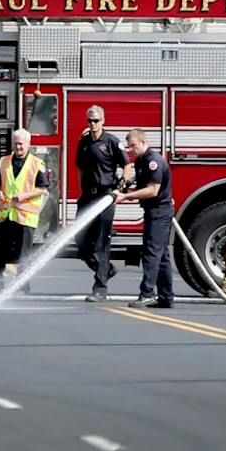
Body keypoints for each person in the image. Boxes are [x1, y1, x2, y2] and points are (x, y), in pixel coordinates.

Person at [116, 129, 174, 308]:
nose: (131, 150)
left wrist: (126, 197)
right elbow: (140, 183)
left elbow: (152, 190)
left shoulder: (153, 161)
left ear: (142, 142)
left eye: (133, 146)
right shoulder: (141, 161)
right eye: (129, 147)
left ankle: (147, 293)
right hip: (153, 211)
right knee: (162, 255)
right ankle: (166, 297)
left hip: (159, 212)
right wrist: (125, 188)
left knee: (151, 253)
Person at [74, 105, 124, 300]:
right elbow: (80, 168)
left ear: (103, 121)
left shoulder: (111, 142)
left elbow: (126, 164)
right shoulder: (84, 142)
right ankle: (106, 269)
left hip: (105, 197)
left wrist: (121, 184)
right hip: (88, 197)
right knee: (81, 241)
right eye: (90, 121)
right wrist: (82, 190)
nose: (93, 124)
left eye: (96, 120)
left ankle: (100, 288)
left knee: (102, 243)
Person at [0, 128, 47, 289]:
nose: (18, 147)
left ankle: (22, 287)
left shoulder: (37, 164)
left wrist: (24, 196)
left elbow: (42, 189)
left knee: (23, 255)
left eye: (21, 144)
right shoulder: (3, 161)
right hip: (6, 215)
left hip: (26, 217)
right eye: (15, 143)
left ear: (28, 144)